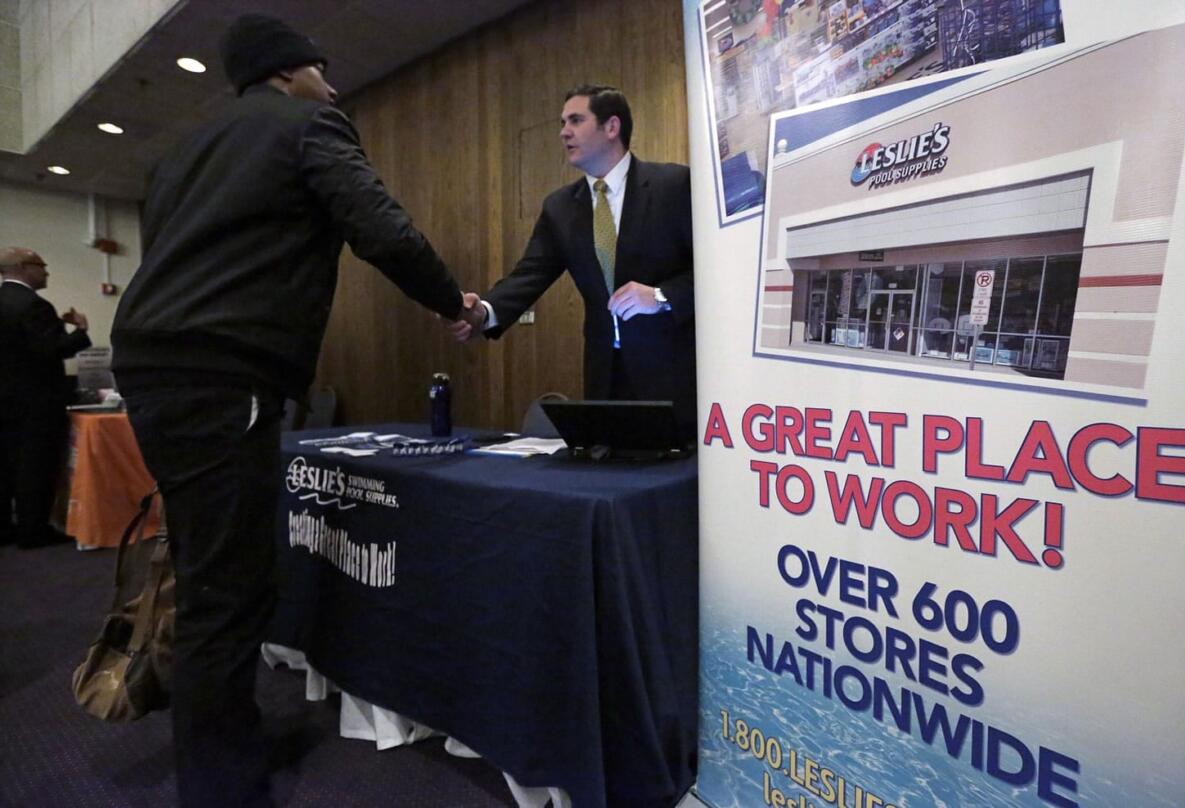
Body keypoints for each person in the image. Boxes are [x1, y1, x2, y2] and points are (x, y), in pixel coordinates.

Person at [110, 14, 481, 807]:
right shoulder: (309, 122)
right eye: (322, 69)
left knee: (213, 560)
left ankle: (228, 741)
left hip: (152, 367)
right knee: (226, 589)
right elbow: (381, 228)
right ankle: (220, 787)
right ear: (287, 72)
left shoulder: (182, 154)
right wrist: (453, 300)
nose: (334, 84)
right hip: (221, 372)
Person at [451, 84, 697, 432]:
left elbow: (712, 270)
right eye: (563, 122)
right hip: (604, 378)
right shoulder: (560, 207)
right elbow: (530, 274)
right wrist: (484, 313)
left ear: (612, 127)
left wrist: (660, 297)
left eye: (576, 120)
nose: (563, 131)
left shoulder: (673, 184)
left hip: (673, 376)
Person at [0, 247, 90, 549]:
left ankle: (5, 529)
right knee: (34, 466)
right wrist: (80, 330)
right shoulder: (33, 305)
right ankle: (33, 530)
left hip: (4, 401)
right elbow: (50, 350)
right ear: (25, 267)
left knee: (5, 465)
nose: (47, 272)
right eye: (42, 265)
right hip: (35, 403)